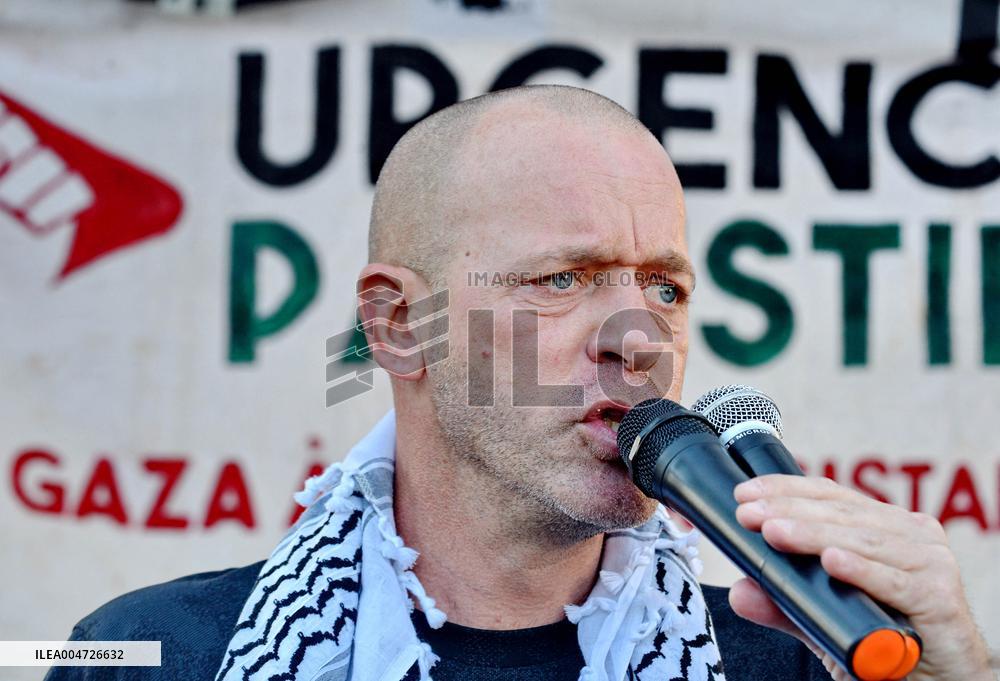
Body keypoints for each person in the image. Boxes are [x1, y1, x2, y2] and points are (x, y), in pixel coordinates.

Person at [46, 85, 993, 681]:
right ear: (397, 325)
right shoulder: (153, 650)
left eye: (664, 286)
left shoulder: (798, 661)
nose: (639, 340)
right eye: (562, 279)